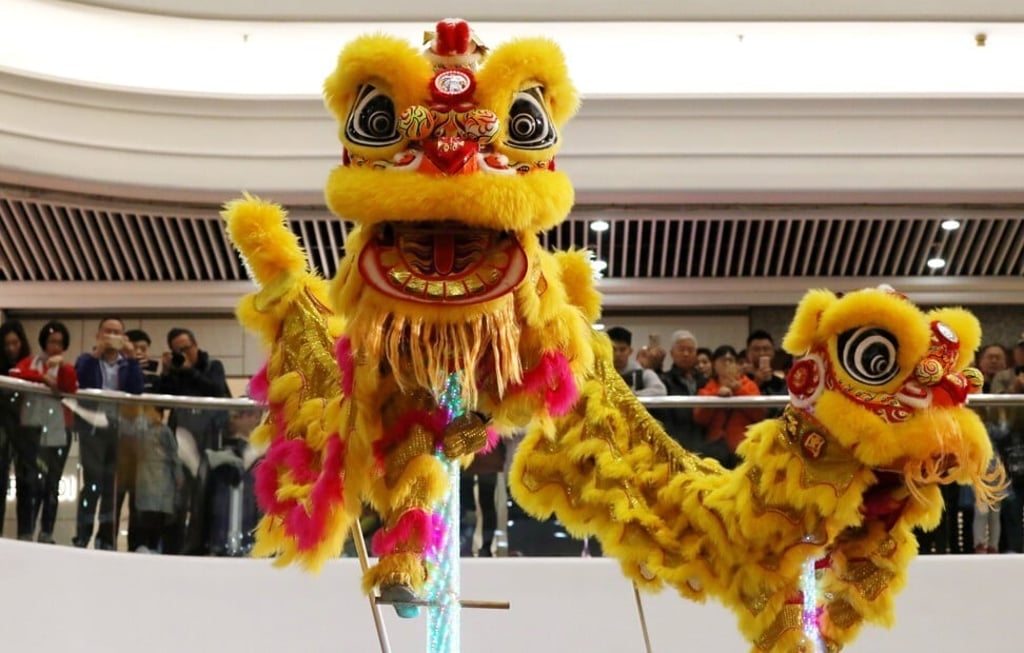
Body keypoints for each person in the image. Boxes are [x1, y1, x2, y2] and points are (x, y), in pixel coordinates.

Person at [73, 317, 144, 550]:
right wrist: (96, 354)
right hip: (92, 427)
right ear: (98, 335)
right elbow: (81, 381)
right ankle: (83, 535)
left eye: (117, 332)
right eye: (107, 331)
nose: (112, 336)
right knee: (92, 481)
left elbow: (136, 391)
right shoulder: (86, 359)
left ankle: (106, 538)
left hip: (120, 430)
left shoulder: (127, 363)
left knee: (111, 485)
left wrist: (132, 358)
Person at [12, 321, 78, 543]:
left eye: (60, 343)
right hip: (31, 428)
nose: (55, 347)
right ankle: (25, 531)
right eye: (51, 342)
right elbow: (15, 374)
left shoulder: (66, 367)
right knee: (30, 481)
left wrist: (59, 369)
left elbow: (70, 386)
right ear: (44, 343)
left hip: (59, 429)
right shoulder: (32, 362)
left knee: (52, 483)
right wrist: (43, 377)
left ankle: (46, 531)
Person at [693, 345, 765, 468]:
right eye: (722, 360)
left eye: (730, 360)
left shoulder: (749, 385)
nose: (726, 364)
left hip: (744, 447)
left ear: (737, 364)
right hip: (716, 449)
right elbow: (700, 418)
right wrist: (717, 396)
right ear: (714, 364)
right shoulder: (707, 387)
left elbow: (760, 414)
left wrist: (739, 390)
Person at [0, 320, 34, 539]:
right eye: (6, 344)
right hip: (2, 427)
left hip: (24, 428)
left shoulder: (30, 366)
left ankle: (25, 534)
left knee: (26, 480)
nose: (12, 348)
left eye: (15, 343)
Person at [606, 326, 666, 397]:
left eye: (622, 349)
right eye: (613, 349)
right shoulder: (598, 373)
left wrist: (632, 395)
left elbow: (660, 391)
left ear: (630, 351)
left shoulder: (643, 373)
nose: (617, 354)